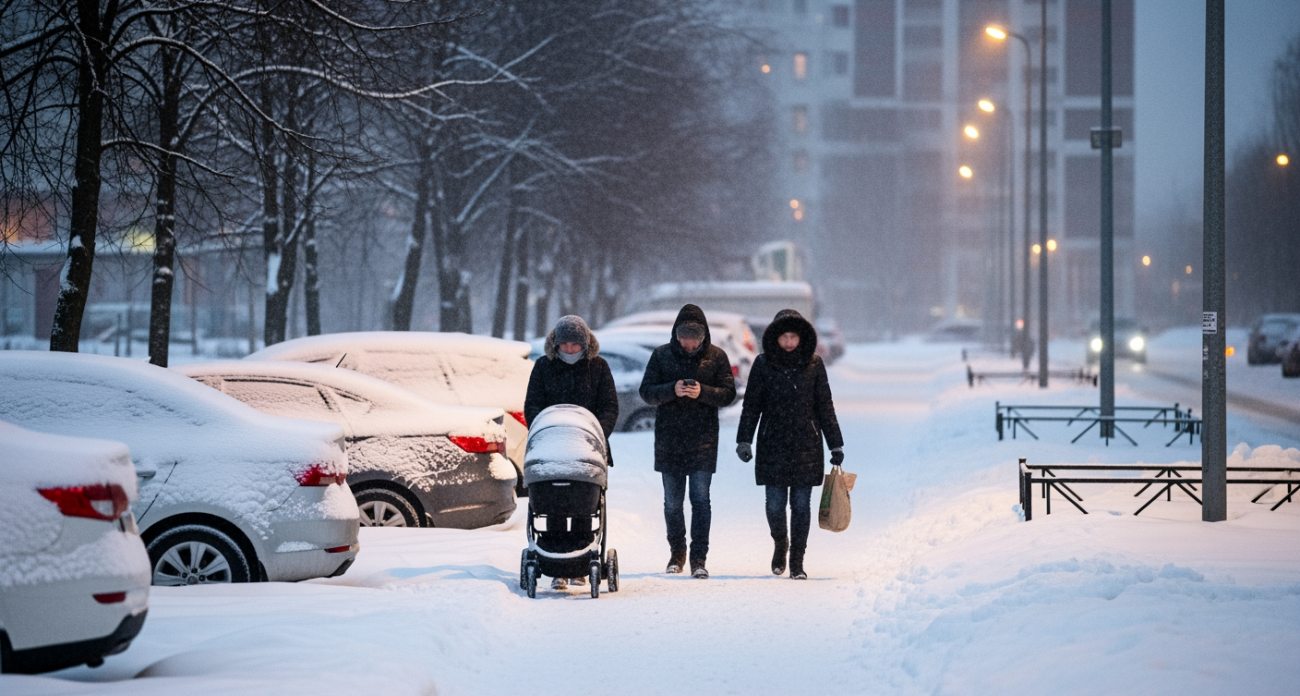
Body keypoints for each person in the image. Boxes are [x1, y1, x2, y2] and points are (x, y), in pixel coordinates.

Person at [736, 309, 843, 580]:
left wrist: (836, 445)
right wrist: (744, 439)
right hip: (772, 443)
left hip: (806, 444)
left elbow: (825, 406)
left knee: (800, 505)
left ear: (801, 337)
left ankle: (797, 560)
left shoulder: (814, 364)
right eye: (784, 336)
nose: (789, 342)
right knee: (774, 505)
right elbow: (751, 406)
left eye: (793, 336)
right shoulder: (763, 364)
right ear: (775, 337)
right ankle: (780, 542)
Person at [639, 304, 736, 579]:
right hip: (669, 440)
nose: (689, 343)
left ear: (703, 336)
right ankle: (677, 553)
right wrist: (672, 390)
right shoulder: (661, 355)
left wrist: (702, 392)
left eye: (694, 337)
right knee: (672, 502)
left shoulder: (717, 357)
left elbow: (729, 394)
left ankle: (699, 558)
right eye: (684, 337)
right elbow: (646, 392)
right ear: (676, 334)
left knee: (700, 499)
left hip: (703, 440)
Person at [524, 315, 619, 590]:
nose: (568, 350)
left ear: (584, 344)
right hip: (551, 446)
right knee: (553, 504)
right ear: (555, 344)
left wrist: (597, 432)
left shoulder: (598, 368)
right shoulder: (544, 367)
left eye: (574, 345)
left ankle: (579, 562)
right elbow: (533, 404)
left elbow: (609, 406)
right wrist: (544, 428)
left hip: (587, 447)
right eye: (564, 345)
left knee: (583, 506)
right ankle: (557, 566)